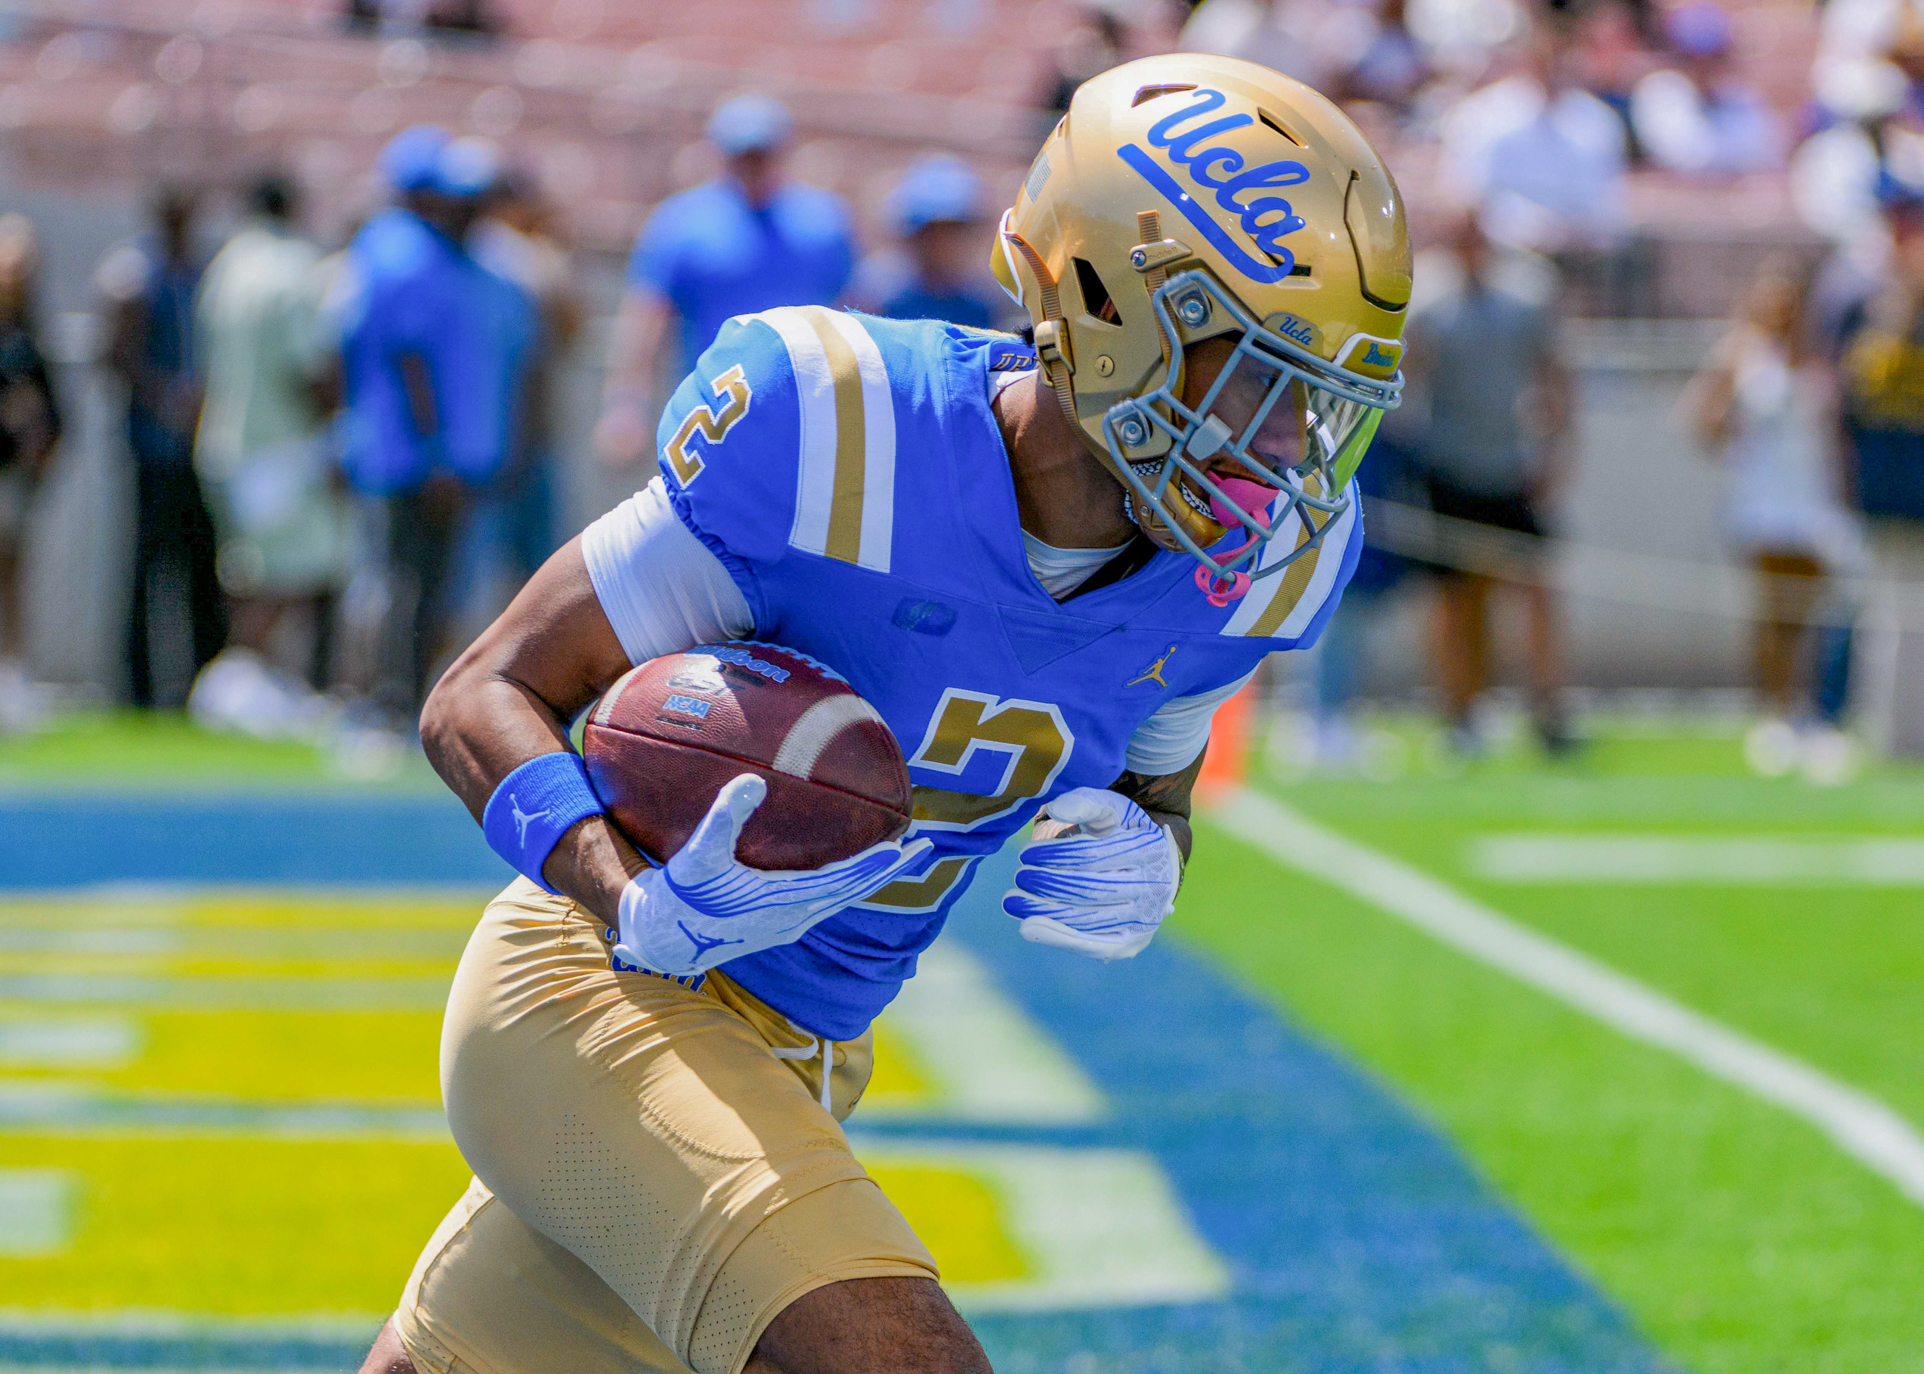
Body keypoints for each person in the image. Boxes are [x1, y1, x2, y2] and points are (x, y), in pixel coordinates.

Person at [356, 55, 1409, 1374]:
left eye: (1316, 390)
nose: (1288, 438)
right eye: (1255, 373)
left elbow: (1155, 783)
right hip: (601, 985)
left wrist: (1152, 851)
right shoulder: (840, 430)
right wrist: (630, 897)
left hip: (810, 1050)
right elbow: (485, 690)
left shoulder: (1259, 567)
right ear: (1110, 307)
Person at [334, 128, 536, 724]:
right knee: (395, 582)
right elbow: (411, 364)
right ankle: (379, 702)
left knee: (437, 589)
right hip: (412, 460)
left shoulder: (478, 264)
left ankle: (414, 702)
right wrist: (438, 454)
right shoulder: (407, 256)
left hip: (460, 461)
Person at [593, 94, 855, 471]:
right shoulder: (681, 223)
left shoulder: (825, 223)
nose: (752, 165)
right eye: (742, 155)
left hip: (806, 415)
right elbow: (648, 322)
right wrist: (626, 407)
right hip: (713, 416)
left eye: (761, 154)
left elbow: (853, 317)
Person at [1405, 209, 1576, 755]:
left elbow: (1552, 374)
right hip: (1451, 466)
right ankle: (1460, 711)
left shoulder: (1525, 296)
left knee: (1535, 591)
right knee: (1455, 600)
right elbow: (1409, 379)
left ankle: (1548, 710)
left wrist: (1555, 450)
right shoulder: (1428, 302)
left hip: (1511, 467)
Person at [186, 172, 349, 740]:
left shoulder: (226, 265)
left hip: (224, 440)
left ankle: (252, 683)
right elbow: (305, 367)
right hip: (279, 446)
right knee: (284, 572)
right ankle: (237, 682)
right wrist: (333, 426)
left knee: (252, 567)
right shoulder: (291, 269)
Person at [1685, 256, 1861, 776]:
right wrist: (1734, 437)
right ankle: (1776, 711)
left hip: (1814, 500)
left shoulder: (1820, 354)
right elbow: (1702, 420)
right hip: (1763, 503)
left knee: (1817, 613)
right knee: (1773, 612)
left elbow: (1836, 433)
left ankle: (1812, 710)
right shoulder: (1740, 352)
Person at [99, 186, 226, 709]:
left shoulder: (201, 271)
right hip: (154, 447)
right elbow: (116, 354)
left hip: (201, 446)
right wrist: (165, 398)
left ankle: (202, 681)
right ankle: (138, 688)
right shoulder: (135, 272)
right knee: (147, 568)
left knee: (203, 569)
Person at [1836, 178, 1924, 756]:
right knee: (1882, 615)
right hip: (1886, 487)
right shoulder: (1858, 303)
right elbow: (1847, 403)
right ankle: (1889, 736)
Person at [0, 214, 60, 730]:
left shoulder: (27, 333)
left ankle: (13, 672)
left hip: (14, 479)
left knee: (14, 574)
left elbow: (51, 407)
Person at [851, 155, 1006, 331]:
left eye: (954, 230)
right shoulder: (880, 295)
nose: (944, 243)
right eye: (931, 232)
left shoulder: (983, 301)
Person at [1630, 1, 1782, 178]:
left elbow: (1763, 151)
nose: (1706, 65)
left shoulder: (1738, 96)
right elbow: (1686, 156)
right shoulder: (1659, 90)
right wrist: (1736, 162)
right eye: (1695, 57)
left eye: (1715, 55)